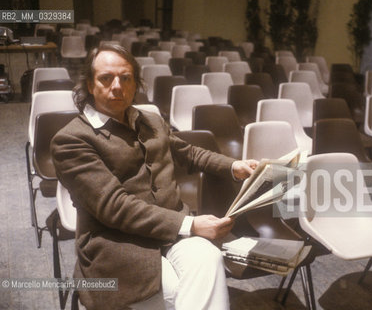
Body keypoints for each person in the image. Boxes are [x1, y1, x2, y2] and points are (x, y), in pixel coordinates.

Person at [51, 43, 258, 310]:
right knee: (178, 290)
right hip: (118, 244)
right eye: (106, 78)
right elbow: (114, 206)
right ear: (90, 85)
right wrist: (191, 225)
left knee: (208, 258)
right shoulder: (72, 140)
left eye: (126, 78)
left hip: (170, 233)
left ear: (135, 83)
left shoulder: (149, 120)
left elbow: (188, 152)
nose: (117, 86)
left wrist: (234, 166)